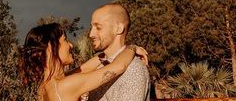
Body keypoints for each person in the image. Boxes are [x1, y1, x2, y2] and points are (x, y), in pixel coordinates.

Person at [19, 22, 148, 101]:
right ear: (51, 48)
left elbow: (83, 69)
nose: (70, 45)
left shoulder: (44, 86)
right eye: (64, 40)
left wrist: (107, 53)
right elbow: (118, 66)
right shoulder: (66, 85)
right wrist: (132, 48)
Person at [87, 4, 150, 101]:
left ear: (119, 29)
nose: (91, 34)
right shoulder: (97, 67)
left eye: (98, 27)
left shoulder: (133, 69)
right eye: (91, 27)